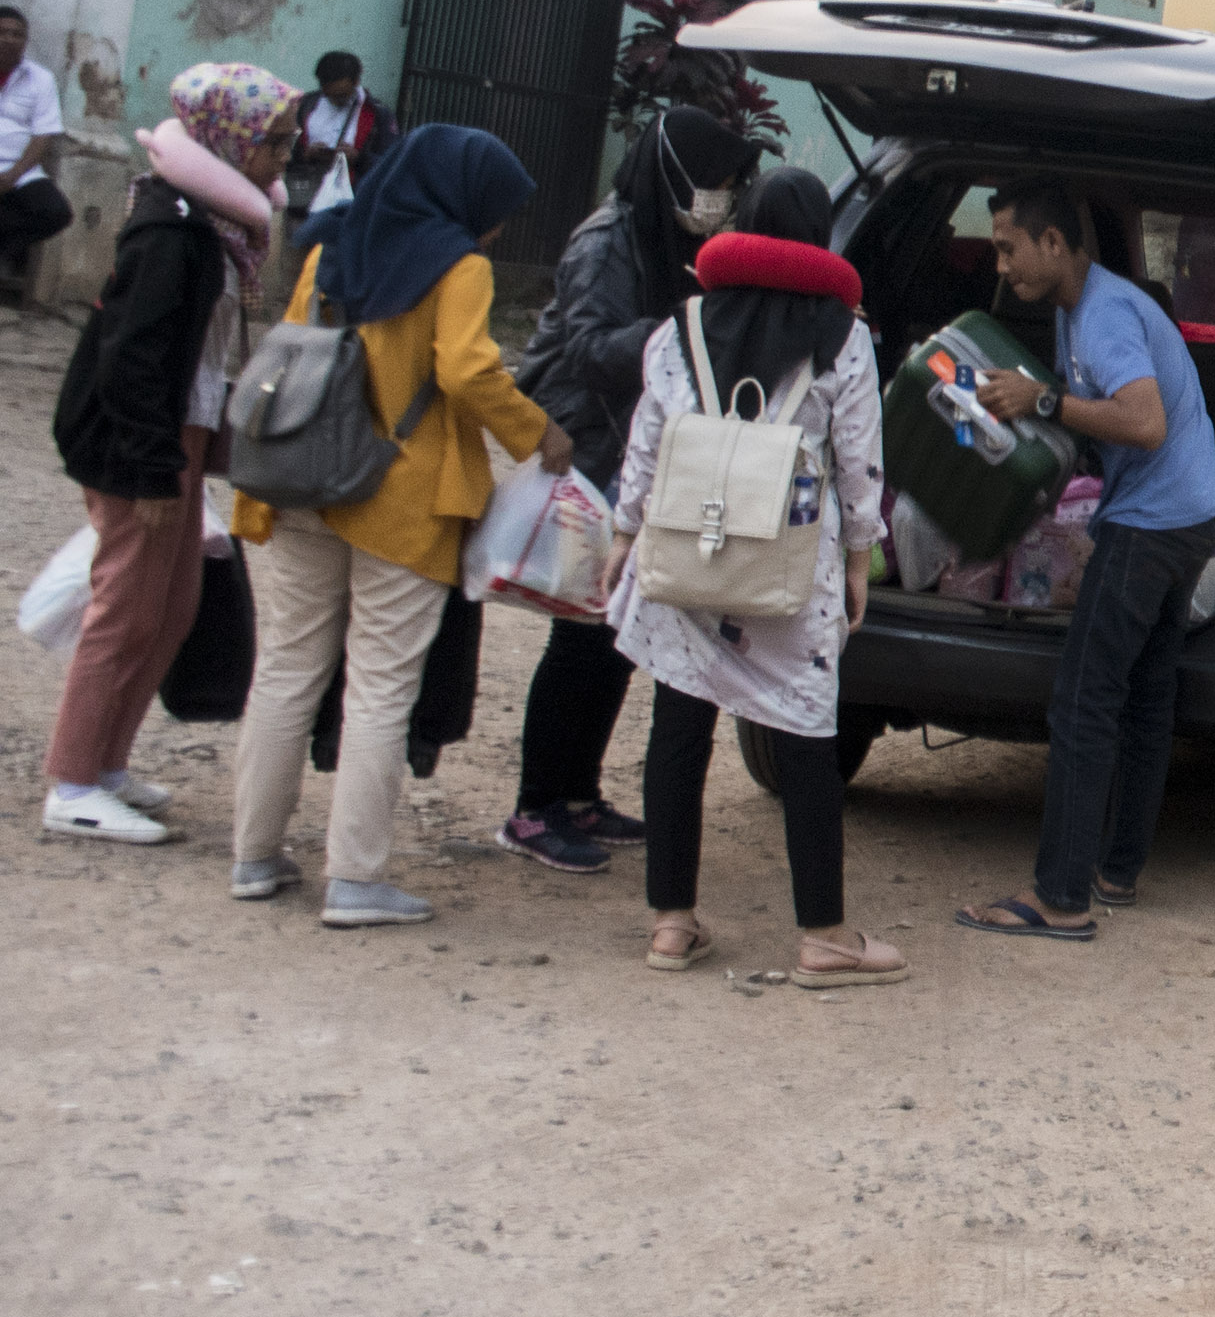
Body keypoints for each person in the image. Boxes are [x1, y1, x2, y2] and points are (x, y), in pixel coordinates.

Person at [228, 126, 560, 926]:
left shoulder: (331, 241)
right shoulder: (460, 265)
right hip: (400, 495)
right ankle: (356, 877)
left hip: (309, 474)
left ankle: (254, 855)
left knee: (287, 669)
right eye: (496, 210)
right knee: (379, 684)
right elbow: (466, 368)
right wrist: (536, 433)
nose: (498, 227)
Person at [608, 168, 899, 985]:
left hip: (694, 548)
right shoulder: (843, 335)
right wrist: (858, 559)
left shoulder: (683, 324)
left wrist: (626, 529)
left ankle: (671, 923)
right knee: (807, 736)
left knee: (678, 724)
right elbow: (859, 461)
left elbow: (648, 438)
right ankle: (825, 937)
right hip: (788, 560)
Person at [952, 176, 1215, 944]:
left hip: (1156, 521)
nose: (1001, 265)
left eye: (1009, 248)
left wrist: (1041, 400)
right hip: (1192, 512)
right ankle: (1116, 869)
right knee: (1145, 696)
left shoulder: (1103, 314)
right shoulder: (1092, 305)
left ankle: (1060, 896)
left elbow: (1142, 422)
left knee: (1082, 701)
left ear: (1054, 242)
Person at [496, 105, 758, 873]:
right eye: (712, 182)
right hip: (582, 446)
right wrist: (683, 330)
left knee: (613, 630)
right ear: (674, 173)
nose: (719, 198)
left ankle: (578, 795)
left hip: (627, 453)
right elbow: (588, 347)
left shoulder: (670, 238)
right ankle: (535, 807)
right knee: (576, 636)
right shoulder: (606, 240)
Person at [41, 62, 294, 844]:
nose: (284, 157)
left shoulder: (210, 223)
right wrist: (154, 467)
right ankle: (73, 781)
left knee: (171, 605)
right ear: (231, 137)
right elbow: (134, 358)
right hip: (141, 440)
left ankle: (105, 765)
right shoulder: (174, 230)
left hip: (174, 433)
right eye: (274, 141)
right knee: (126, 609)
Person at [0, 5, 77, 272]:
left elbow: (44, 133)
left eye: (17, 34)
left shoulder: (41, 79)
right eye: (3, 32)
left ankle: (5, 251)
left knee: (56, 212)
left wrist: (13, 175)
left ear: (25, 41)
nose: (9, 39)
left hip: (19, 171)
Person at [284, 51, 399, 220]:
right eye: (330, 96)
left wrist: (359, 158)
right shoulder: (306, 105)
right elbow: (284, 151)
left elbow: (392, 162)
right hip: (306, 201)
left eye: (342, 96)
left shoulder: (377, 114)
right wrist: (306, 154)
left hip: (353, 205)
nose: (336, 101)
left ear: (356, 82)